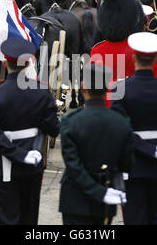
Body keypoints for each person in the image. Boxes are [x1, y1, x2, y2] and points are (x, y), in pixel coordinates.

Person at [0, 38, 60, 225]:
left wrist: (16, 154)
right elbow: (54, 128)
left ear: (4, 62)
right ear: (28, 63)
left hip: (4, 164)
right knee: (29, 218)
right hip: (32, 163)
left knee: (7, 218)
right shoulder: (41, 92)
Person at [111, 32, 157, 225]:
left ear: (133, 58)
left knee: (133, 217)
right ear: (156, 59)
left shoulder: (120, 88)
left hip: (131, 161)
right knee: (156, 216)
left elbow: (120, 129)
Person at [59, 62, 134, 225]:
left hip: (75, 198)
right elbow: (126, 164)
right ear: (108, 89)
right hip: (106, 195)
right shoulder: (121, 123)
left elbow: (73, 165)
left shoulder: (70, 122)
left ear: (83, 87)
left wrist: (98, 192)